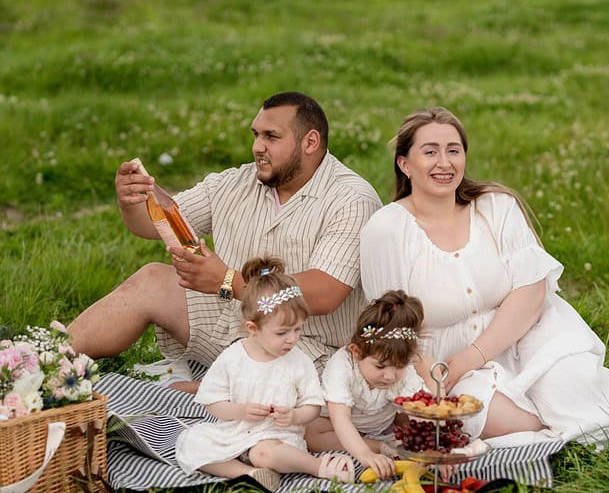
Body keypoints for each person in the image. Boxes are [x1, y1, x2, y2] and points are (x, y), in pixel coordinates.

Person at [359, 107, 609, 449]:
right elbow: (390, 323)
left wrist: (473, 356)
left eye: (453, 150)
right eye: (430, 152)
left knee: (569, 388)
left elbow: (531, 292)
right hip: (440, 365)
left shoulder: (495, 207)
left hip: (522, 335)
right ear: (404, 164)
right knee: (482, 415)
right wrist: (433, 376)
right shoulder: (387, 229)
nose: (444, 163)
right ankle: (568, 424)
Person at [67, 91, 382, 392]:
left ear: (310, 141)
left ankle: (210, 390)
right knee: (152, 279)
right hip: (234, 323)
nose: (258, 146)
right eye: (256, 135)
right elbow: (159, 224)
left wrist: (230, 281)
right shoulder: (237, 181)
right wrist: (132, 200)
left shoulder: (351, 198)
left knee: (285, 397)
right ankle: (46, 360)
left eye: (271, 137)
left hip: (304, 350)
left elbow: (324, 293)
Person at [175, 256, 355, 490]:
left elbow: (313, 406)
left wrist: (294, 416)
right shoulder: (233, 357)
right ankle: (249, 474)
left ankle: (317, 466)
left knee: (264, 453)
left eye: (297, 329)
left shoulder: (298, 361)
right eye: (282, 332)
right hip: (236, 431)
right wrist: (240, 410)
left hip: (278, 438)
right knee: (191, 442)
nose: (292, 339)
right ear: (253, 328)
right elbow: (212, 402)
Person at [305, 290, 434, 480]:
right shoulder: (342, 366)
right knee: (311, 434)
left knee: (419, 421)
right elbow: (341, 419)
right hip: (340, 425)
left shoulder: (402, 373)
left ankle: (396, 442)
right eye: (380, 366)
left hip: (383, 422)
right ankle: (376, 445)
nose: (389, 376)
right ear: (356, 352)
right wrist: (366, 455)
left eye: (399, 366)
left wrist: (435, 447)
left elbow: (425, 411)